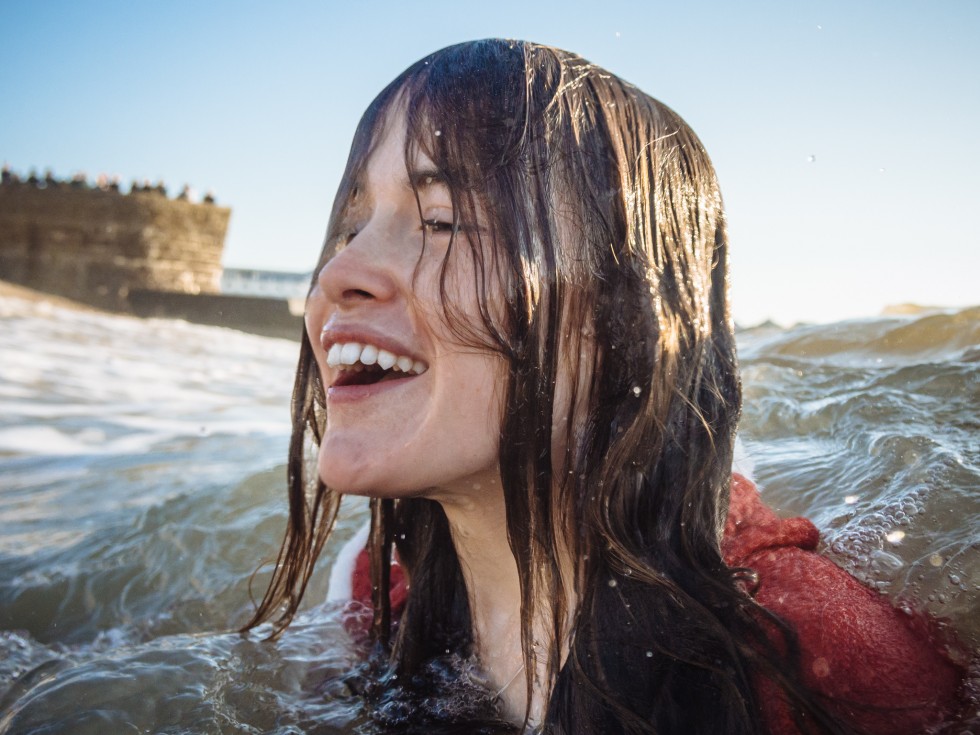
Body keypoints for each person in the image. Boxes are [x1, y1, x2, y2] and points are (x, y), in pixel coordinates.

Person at [244, 40, 969, 733]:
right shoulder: (373, 597)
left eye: (442, 220)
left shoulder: (819, 663)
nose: (336, 277)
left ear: (627, 320)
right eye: (350, 230)